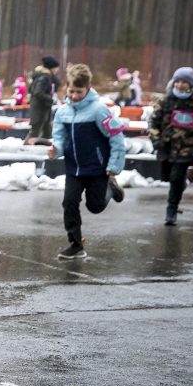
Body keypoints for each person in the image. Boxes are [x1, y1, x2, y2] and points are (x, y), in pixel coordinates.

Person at [48, 63, 126, 258]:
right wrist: (55, 149)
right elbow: (59, 138)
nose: (74, 96)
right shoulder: (62, 112)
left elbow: (116, 138)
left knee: (95, 206)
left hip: (97, 168)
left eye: (79, 92)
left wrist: (114, 165)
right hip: (74, 168)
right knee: (69, 202)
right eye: (71, 91)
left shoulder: (99, 110)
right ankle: (75, 245)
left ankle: (111, 188)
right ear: (66, 87)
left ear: (88, 88)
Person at [148, 66, 193, 226]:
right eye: (177, 81)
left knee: (176, 177)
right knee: (168, 177)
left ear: (191, 84)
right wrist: (156, 139)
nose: (180, 85)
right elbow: (153, 121)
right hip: (166, 146)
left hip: (188, 146)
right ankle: (181, 183)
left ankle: (171, 210)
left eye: (184, 82)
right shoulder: (165, 100)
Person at [27, 56, 58, 140]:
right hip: (39, 109)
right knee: (35, 132)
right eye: (56, 68)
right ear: (51, 68)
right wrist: (51, 99)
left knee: (47, 133)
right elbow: (38, 92)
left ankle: (43, 149)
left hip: (44, 109)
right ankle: (25, 149)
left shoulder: (44, 76)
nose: (57, 70)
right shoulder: (44, 77)